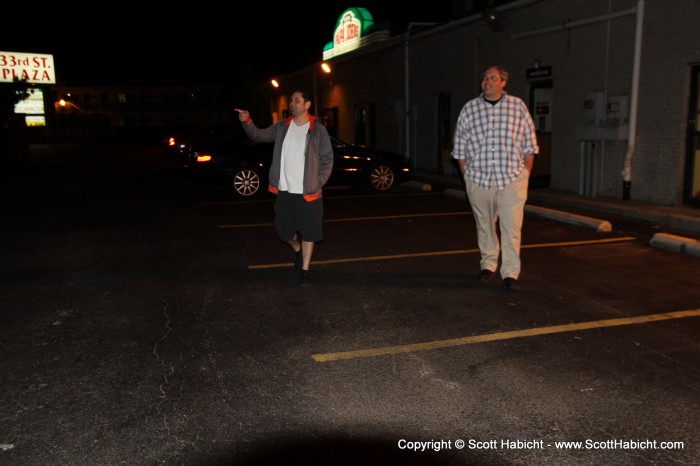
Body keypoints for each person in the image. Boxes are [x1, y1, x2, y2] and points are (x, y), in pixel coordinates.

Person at [452, 65, 539, 289]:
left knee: (511, 227)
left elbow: (530, 144)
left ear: (503, 82)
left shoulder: (517, 106)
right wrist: (467, 176)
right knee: (484, 225)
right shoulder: (470, 109)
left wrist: (525, 174)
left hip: (511, 178)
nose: (487, 81)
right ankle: (488, 264)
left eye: (493, 78)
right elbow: (459, 146)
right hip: (478, 179)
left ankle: (510, 272)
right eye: (484, 78)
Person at [235, 90, 334, 287]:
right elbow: (259, 135)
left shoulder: (318, 130)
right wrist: (247, 121)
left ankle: (305, 269)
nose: (292, 103)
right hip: (285, 192)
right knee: (283, 232)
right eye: (291, 100)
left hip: (309, 194)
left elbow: (327, 159)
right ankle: (297, 250)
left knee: (309, 233)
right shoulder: (282, 126)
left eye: (297, 100)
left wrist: (318, 181)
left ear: (307, 105)